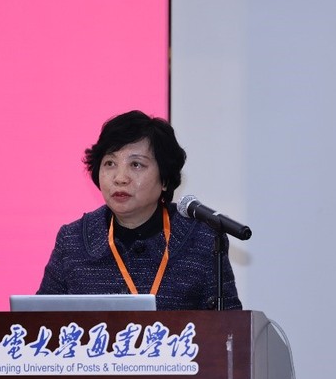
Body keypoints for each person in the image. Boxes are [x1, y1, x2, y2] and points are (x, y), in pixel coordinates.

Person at [37, 110, 242, 310]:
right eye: (110, 163)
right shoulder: (73, 240)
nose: (120, 178)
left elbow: (231, 327)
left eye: (136, 164)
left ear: (165, 179)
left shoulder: (202, 239)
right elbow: (38, 322)